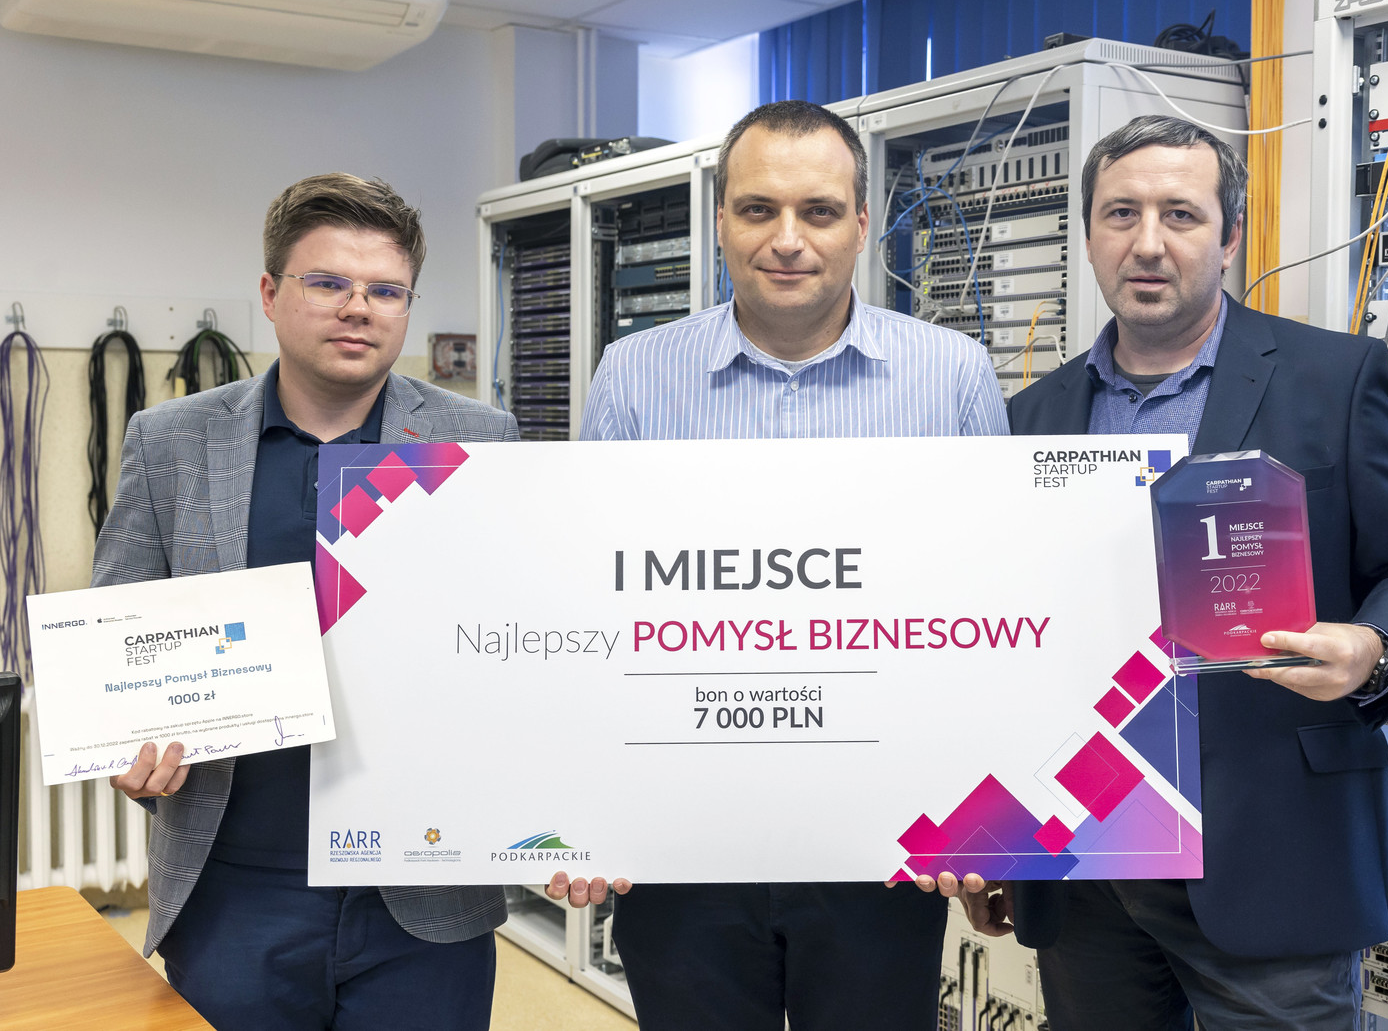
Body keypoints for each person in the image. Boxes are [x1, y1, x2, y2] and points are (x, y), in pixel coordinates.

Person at [954, 115, 1388, 1029]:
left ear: (1230, 237)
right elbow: (1004, 636)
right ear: (1089, 235)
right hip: (1089, 863)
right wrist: (991, 834)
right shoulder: (1031, 416)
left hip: (1277, 850)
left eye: (1181, 215)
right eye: (1121, 213)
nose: (1148, 243)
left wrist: (1373, 646)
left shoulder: (1332, 378)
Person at [546, 99, 1008, 1030]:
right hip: (682, 843)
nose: (788, 240)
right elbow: (590, 609)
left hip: (882, 843)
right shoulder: (633, 375)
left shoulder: (952, 373)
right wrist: (581, 808)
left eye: (819, 211)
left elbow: (994, 605)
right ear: (720, 220)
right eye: (758, 209)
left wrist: (992, 820)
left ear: (862, 223)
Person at [95, 173, 517, 1031]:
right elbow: (119, 635)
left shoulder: (480, 440)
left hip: (423, 887)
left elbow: (522, 645)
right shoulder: (171, 440)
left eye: (385, 291)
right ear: (270, 294)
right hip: (236, 888)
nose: (358, 308)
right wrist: (122, 741)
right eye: (327, 283)